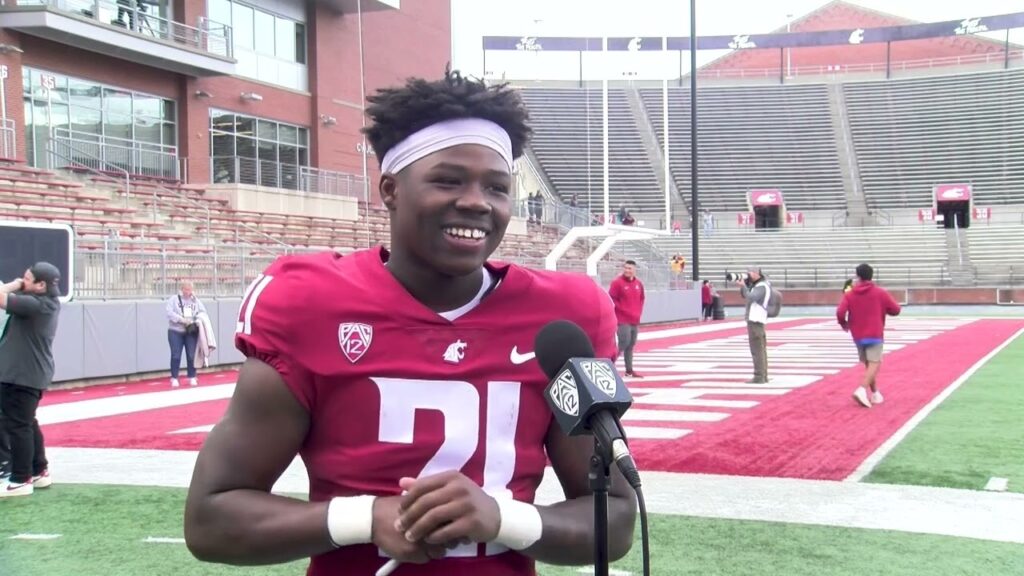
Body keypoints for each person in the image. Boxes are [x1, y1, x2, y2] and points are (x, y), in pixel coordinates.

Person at [184, 69, 636, 576]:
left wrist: (502, 519)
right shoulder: (310, 303)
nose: (476, 201)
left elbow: (615, 518)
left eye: (497, 186)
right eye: (447, 179)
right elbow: (211, 519)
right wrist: (362, 517)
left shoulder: (564, 315)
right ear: (390, 190)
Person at [0, 262, 61, 498]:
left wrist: (13, 285)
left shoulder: (36, 304)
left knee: (18, 426)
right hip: (27, 374)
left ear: (41, 284)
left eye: (27, 279)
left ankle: (20, 477)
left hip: (21, 376)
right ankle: (38, 470)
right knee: (27, 422)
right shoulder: (44, 304)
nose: (22, 281)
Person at [837, 263, 901, 408]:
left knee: (868, 364)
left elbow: (840, 312)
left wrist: (844, 323)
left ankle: (875, 393)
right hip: (875, 332)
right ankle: (861, 389)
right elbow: (896, 309)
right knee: (875, 363)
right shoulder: (880, 293)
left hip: (858, 334)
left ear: (858, 276)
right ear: (871, 276)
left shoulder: (850, 294)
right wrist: (884, 310)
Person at [609, 260, 645, 378]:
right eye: (626, 268)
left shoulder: (638, 284)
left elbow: (642, 298)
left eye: (630, 268)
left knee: (631, 345)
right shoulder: (617, 283)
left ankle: (629, 370)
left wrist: (638, 311)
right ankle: (608, 366)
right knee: (623, 343)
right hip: (622, 319)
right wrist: (623, 310)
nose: (627, 270)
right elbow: (612, 298)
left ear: (635, 270)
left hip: (634, 319)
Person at [166, 281, 206, 387]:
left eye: (190, 290)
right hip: (175, 331)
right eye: (186, 289)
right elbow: (169, 313)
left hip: (190, 331)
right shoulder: (174, 299)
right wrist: (181, 319)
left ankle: (192, 376)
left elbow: (203, 312)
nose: (188, 292)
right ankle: (174, 377)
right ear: (182, 289)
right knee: (175, 355)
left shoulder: (196, 301)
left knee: (191, 354)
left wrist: (195, 320)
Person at [737, 267, 771, 384]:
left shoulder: (761, 286)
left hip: (755, 320)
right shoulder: (761, 285)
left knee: (757, 349)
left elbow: (751, 297)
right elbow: (745, 295)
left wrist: (743, 286)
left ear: (756, 274)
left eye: (750, 272)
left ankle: (759, 376)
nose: (748, 275)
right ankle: (763, 375)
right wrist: (744, 286)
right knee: (760, 349)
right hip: (758, 319)